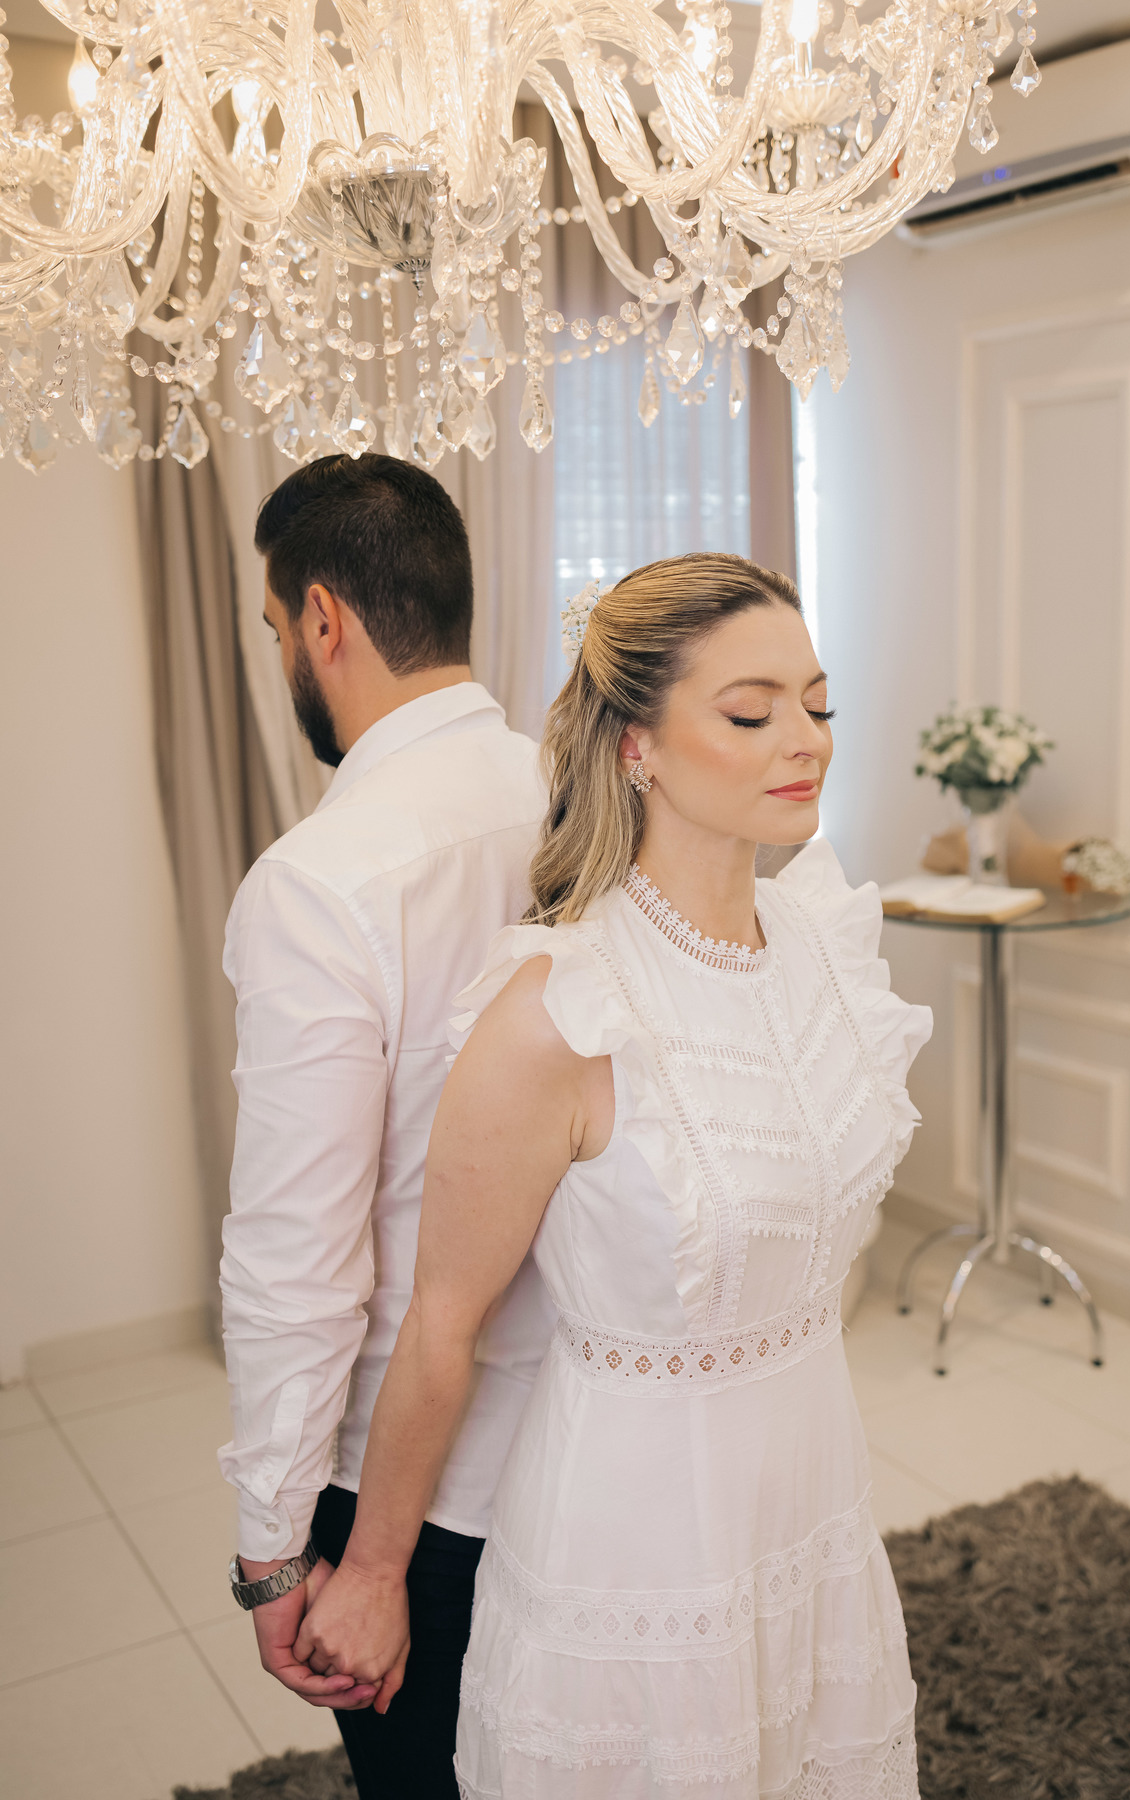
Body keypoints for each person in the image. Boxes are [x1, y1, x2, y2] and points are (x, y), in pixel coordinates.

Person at [295, 551, 933, 1797]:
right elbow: (442, 1323)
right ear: (637, 745)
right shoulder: (558, 1013)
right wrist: (370, 1572)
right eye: (750, 713)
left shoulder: (826, 944)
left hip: (810, 1492)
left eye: (818, 705)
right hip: (638, 1539)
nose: (805, 739)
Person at [217, 453, 554, 1800]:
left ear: (322, 621)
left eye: (273, 629)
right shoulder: (586, 804)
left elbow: (296, 1258)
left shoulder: (318, 884)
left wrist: (271, 1548)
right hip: (591, 1422)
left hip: (419, 1483)